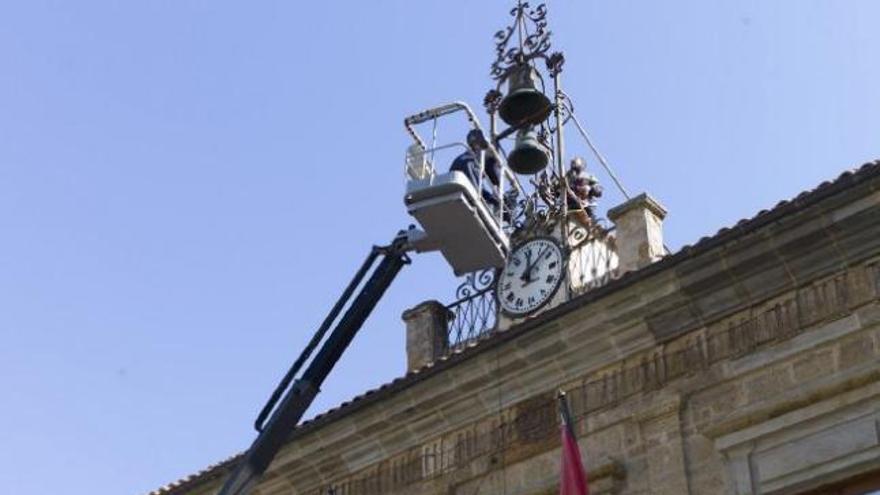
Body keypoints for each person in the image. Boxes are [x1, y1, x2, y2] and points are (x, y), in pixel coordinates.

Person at [449, 129, 502, 209]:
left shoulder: (466, 160)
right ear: (477, 146)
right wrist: (493, 200)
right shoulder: (468, 161)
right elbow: (475, 189)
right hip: (464, 197)